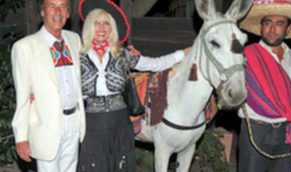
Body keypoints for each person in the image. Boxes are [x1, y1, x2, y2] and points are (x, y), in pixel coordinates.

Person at [77, 0, 189, 171]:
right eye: (96, 23)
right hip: (91, 125)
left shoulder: (123, 55)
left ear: (112, 28)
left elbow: (156, 64)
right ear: (88, 27)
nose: (101, 28)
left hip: (120, 123)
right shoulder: (78, 56)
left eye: (106, 23)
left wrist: (184, 53)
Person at [11, 0, 86, 171]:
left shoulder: (74, 40)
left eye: (63, 7)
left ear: (68, 13)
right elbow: (22, 97)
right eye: (52, 6)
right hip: (46, 126)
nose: (58, 11)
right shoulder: (24, 48)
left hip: (74, 121)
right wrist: (21, 136)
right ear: (42, 12)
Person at [238, 0, 291, 171]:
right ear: (261, 26)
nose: (272, 29)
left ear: (288, 29)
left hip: (288, 132)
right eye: (267, 23)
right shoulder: (244, 56)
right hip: (255, 129)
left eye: (279, 24)